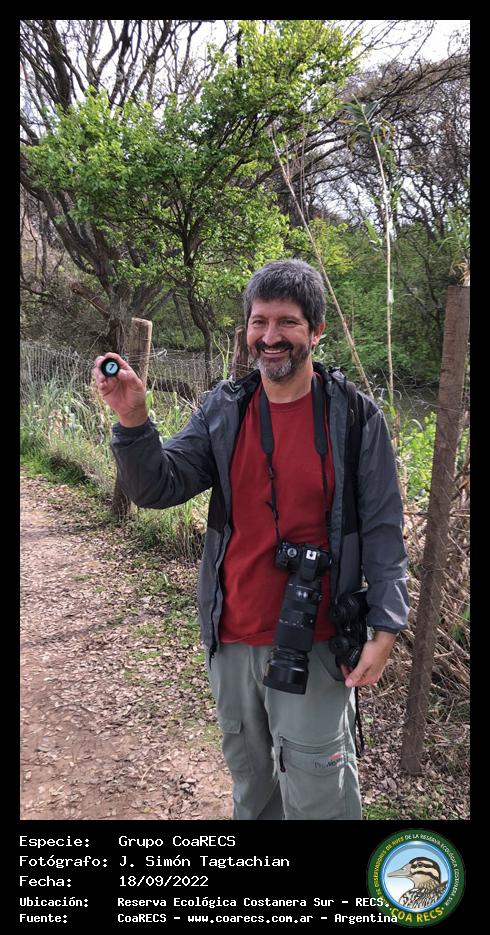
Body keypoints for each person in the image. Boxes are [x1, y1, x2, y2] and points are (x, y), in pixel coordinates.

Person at [93, 259, 409, 821]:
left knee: (320, 799)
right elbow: (159, 486)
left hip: (318, 641)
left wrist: (386, 627)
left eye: (287, 322)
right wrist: (133, 419)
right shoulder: (225, 409)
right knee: (253, 791)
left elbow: (384, 530)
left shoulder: (355, 418)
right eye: (259, 321)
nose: (270, 336)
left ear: (316, 331)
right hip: (232, 639)